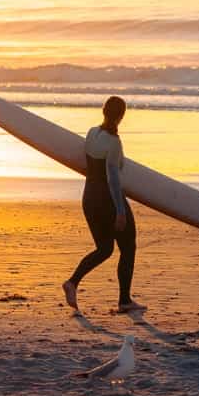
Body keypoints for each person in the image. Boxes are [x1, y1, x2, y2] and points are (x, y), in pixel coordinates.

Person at [61, 94, 143, 315]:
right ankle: (124, 300)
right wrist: (120, 210)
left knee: (104, 249)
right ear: (121, 116)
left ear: (104, 111)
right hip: (107, 200)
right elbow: (113, 178)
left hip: (89, 198)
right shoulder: (114, 142)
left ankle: (72, 282)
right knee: (128, 247)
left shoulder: (92, 133)